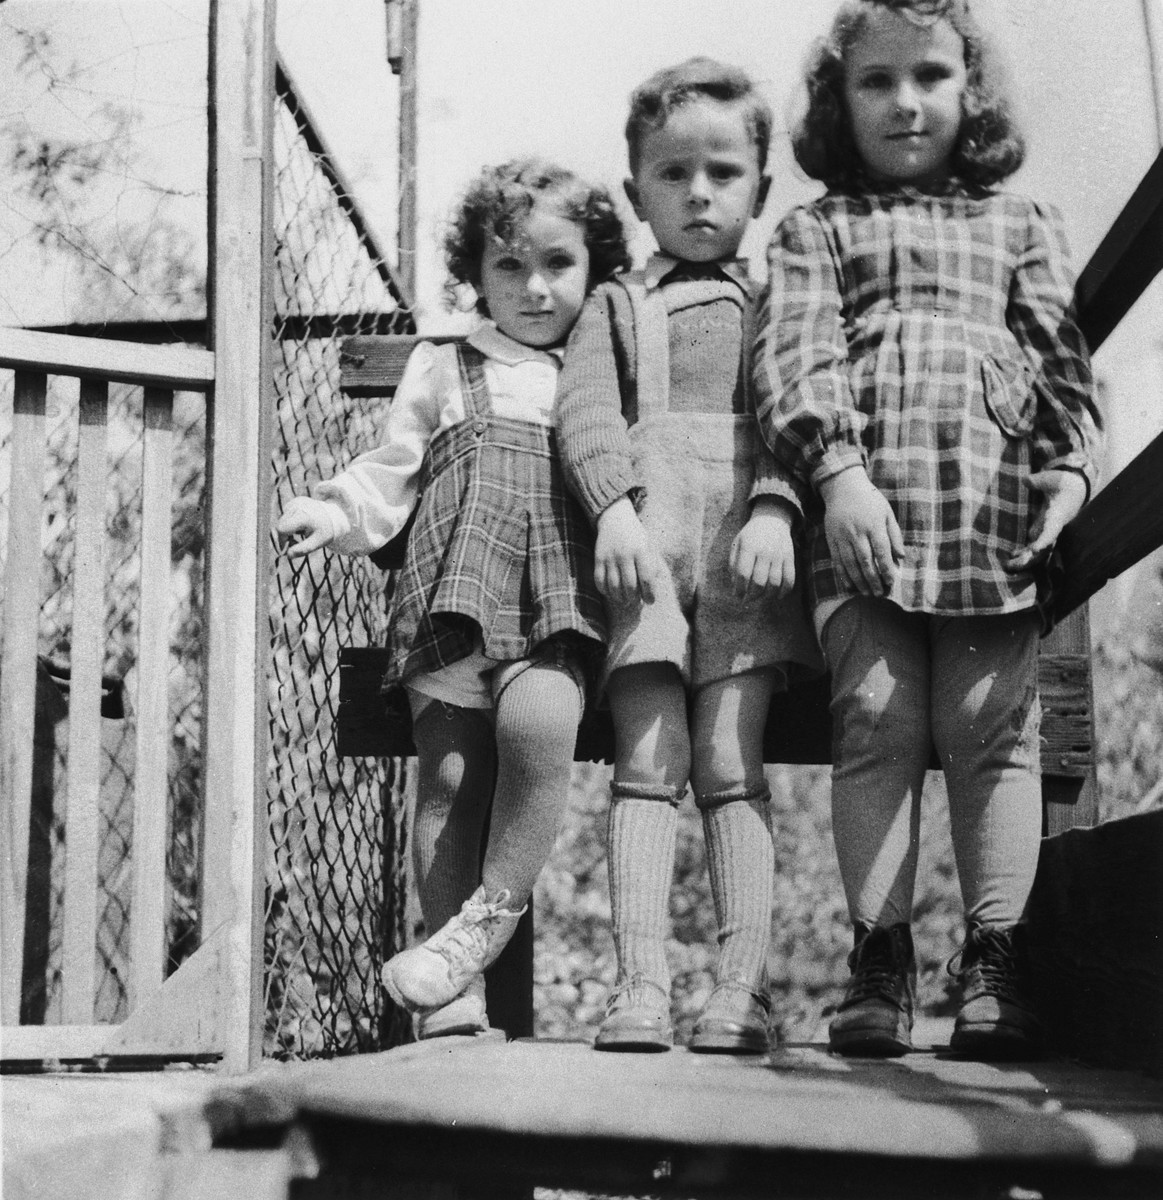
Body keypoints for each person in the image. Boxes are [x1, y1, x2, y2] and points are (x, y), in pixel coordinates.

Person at [754, 0, 1101, 1060]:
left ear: (970, 91)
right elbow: (793, 360)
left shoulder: (1020, 223)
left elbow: (1059, 365)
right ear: (837, 101)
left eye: (930, 76)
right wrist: (837, 474)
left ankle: (992, 958)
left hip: (988, 513)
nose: (905, 102)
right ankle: (878, 959)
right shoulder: (818, 229)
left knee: (990, 728)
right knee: (874, 722)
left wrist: (1071, 475)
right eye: (875, 81)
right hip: (862, 513)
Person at [277, 159, 630, 1040]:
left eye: (558, 263)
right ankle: (448, 987)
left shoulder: (600, 369)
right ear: (475, 273)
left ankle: (482, 926)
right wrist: (333, 511)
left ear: (593, 270)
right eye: (508, 266)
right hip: (451, 595)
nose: (535, 287)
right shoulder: (445, 362)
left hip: (554, 600)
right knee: (447, 782)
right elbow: (392, 469)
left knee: (540, 726)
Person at [557, 59, 822, 1055]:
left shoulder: (779, 304)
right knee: (646, 758)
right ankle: (637, 988)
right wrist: (612, 508)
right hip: (647, 568)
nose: (698, 192)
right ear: (635, 193)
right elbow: (584, 411)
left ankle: (738, 991)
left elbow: (800, 416)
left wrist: (775, 505)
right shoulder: (616, 305)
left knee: (726, 762)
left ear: (760, 182)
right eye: (672, 174)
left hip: (749, 570)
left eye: (722, 171)